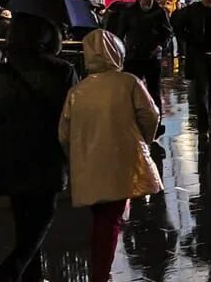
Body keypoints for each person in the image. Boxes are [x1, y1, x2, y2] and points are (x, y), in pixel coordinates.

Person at [59, 30, 163, 282]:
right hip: (121, 160)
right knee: (110, 219)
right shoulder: (129, 82)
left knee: (102, 216)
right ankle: (100, 273)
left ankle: (100, 268)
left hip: (89, 164)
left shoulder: (77, 91)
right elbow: (151, 115)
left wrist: (77, 156)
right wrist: (142, 141)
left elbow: (64, 133)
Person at [0, 14, 78, 282]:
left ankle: (30, 275)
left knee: (23, 220)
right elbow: (72, 114)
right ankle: (11, 271)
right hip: (46, 153)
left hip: (8, 154)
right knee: (43, 215)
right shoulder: (62, 71)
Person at [119, 0, 172, 108]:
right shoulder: (129, 12)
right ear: (139, 0)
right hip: (133, 57)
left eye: (149, 3)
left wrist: (160, 46)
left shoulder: (160, 13)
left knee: (154, 91)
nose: (146, 6)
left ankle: (156, 120)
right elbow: (120, 34)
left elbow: (168, 33)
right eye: (144, 3)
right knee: (132, 90)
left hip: (152, 57)